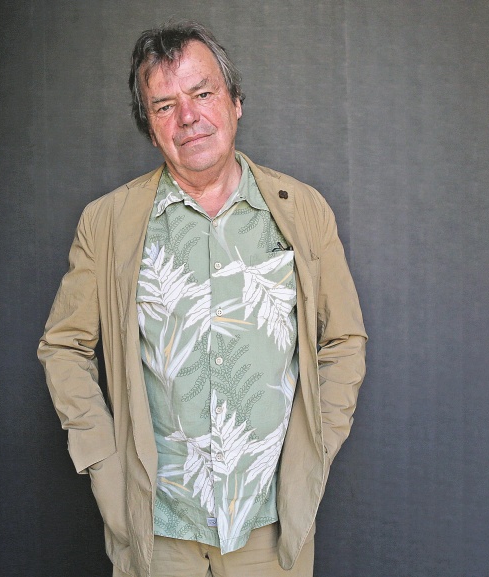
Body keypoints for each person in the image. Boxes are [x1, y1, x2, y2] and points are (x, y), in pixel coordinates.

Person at [38, 19, 367, 577]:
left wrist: (318, 442)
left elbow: (344, 339)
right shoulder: (108, 223)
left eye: (203, 94)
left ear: (235, 102)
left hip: (271, 525)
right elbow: (64, 346)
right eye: (164, 106)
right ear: (150, 128)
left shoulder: (303, 212)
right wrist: (102, 462)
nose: (188, 117)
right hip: (157, 526)